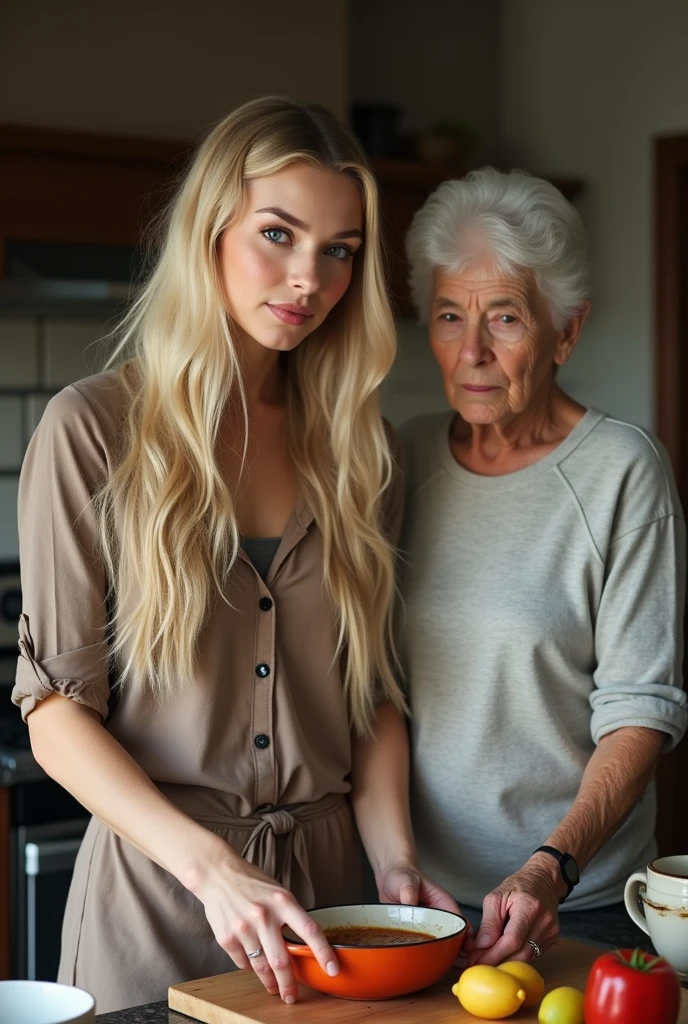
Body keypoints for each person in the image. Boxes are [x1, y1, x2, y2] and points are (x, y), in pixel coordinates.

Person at [12, 97, 457, 1013]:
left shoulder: (362, 451)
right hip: (158, 900)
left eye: (339, 250)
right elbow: (54, 709)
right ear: (208, 230)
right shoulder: (92, 431)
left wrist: (398, 868)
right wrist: (215, 872)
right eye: (278, 234)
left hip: (334, 909)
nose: (310, 278)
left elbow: (368, 696)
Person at [400, 167, 687, 968]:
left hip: (577, 905)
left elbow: (640, 708)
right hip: (416, 905)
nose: (473, 351)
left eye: (506, 318)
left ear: (567, 331)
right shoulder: (402, 456)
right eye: (451, 315)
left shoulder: (622, 470)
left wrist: (549, 868)